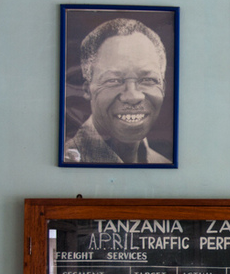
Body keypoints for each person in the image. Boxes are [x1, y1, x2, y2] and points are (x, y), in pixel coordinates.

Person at [64, 18, 171, 164]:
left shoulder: (163, 164)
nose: (133, 96)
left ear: (163, 87)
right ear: (87, 89)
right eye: (113, 81)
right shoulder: (67, 162)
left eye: (147, 80)